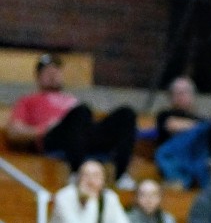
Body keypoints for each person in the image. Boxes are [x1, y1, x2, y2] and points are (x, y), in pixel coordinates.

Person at [4, 53, 138, 189]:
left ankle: (121, 175)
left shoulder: (72, 100)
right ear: (38, 77)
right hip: (53, 138)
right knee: (81, 112)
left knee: (126, 114)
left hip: (81, 136)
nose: (53, 75)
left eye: (56, 71)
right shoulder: (28, 100)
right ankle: (77, 173)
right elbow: (14, 132)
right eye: (48, 71)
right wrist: (44, 129)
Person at [48, 159, 137, 223]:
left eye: (96, 175)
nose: (90, 180)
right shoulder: (64, 197)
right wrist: (91, 201)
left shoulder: (110, 198)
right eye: (86, 175)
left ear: (103, 180)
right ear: (78, 179)